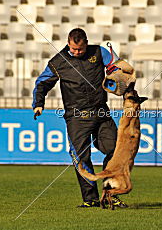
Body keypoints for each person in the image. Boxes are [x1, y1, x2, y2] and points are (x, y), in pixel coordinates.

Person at [32, 28, 127, 208]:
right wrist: (38, 103)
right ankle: (90, 199)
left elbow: (116, 67)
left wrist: (119, 76)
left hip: (101, 112)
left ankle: (110, 193)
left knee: (115, 150)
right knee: (81, 157)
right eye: (73, 49)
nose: (77, 52)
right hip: (76, 117)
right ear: (68, 43)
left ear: (86, 43)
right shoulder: (58, 62)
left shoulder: (99, 52)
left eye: (80, 49)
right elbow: (42, 83)